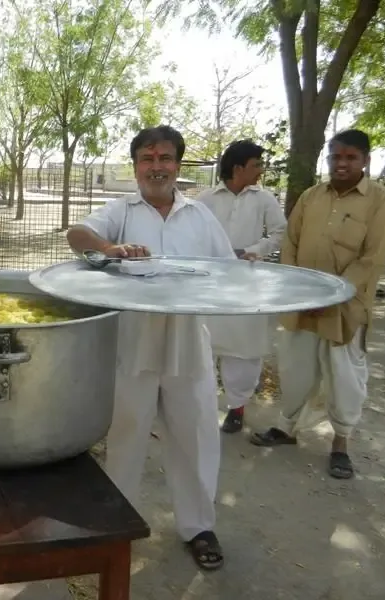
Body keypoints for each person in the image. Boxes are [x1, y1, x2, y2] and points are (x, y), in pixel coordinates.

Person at [66, 125, 236, 570]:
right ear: (136, 165)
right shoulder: (121, 210)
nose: (155, 167)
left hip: (187, 342)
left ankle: (198, 527)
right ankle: (115, 527)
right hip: (132, 341)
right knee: (125, 434)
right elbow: (76, 235)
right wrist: (111, 248)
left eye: (164, 158)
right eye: (146, 158)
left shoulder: (200, 216)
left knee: (195, 434)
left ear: (178, 165)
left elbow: (229, 274)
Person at [251, 129, 385, 480]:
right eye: (336, 157)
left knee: (345, 377)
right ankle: (287, 429)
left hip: (346, 308)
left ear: (365, 161)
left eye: (350, 158)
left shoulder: (381, 200)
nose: (342, 164)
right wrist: (300, 292)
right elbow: (291, 246)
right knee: (296, 368)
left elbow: (372, 258)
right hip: (302, 302)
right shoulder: (311, 197)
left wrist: (330, 296)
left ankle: (340, 443)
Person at [197, 140, 287, 433]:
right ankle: (201, 407)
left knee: (244, 349)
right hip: (210, 283)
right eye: (256, 165)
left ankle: (237, 409)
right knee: (201, 345)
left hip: (247, 283)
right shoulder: (206, 199)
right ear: (238, 168)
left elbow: (279, 232)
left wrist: (252, 250)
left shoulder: (264, 198)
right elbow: (191, 232)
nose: (261, 170)